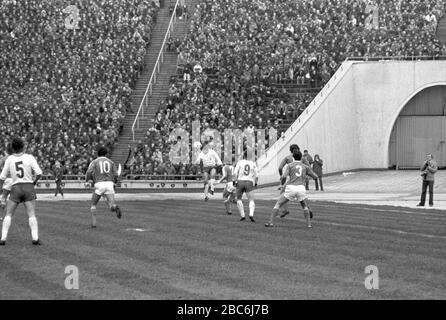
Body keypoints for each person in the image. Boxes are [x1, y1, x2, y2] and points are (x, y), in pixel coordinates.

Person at [0, 137, 43, 245]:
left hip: (15, 187)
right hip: (28, 187)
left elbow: (2, 177)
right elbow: (39, 173)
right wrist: (33, 182)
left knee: (8, 214)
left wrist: (2, 191)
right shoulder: (29, 157)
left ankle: (3, 238)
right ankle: (35, 238)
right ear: (23, 146)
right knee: (31, 213)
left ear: (13, 148)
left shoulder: (9, 159)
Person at [265, 150, 318, 229]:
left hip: (291, 187)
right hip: (301, 188)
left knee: (278, 204)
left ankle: (271, 222)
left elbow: (284, 176)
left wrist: (282, 184)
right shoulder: (305, 166)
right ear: (301, 158)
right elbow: (315, 176)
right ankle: (309, 225)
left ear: (293, 157)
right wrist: (309, 176)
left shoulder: (290, 165)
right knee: (304, 206)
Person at [85, 146, 122, 228]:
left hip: (99, 184)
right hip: (109, 184)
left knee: (93, 204)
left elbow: (89, 172)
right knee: (111, 205)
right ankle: (115, 207)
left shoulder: (95, 162)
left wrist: (87, 181)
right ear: (106, 154)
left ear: (98, 153)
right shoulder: (111, 162)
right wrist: (114, 182)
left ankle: (94, 224)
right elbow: (116, 175)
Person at [234, 153, 258, 222]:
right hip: (249, 182)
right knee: (251, 199)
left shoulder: (240, 162)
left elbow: (235, 173)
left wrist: (234, 182)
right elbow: (256, 176)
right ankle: (251, 214)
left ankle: (242, 215)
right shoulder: (253, 163)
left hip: (240, 181)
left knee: (238, 199)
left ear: (243, 156)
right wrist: (256, 183)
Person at [278, 144, 300, 217]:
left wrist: (281, 176)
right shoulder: (302, 158)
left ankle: (285, 210)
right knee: (301, 195)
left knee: (282, 193)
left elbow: (280, 168)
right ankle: (308, 209)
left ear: (290, 150)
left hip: (291, 179)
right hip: (301, 179)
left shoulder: (287, 158)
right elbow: (308, 167)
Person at [0, 143, 14, 211]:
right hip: (16, 179)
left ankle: (3, 214)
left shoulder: (4, 158)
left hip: (7, 179)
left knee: (4, 196)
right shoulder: (16, 158)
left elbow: (0, 166)